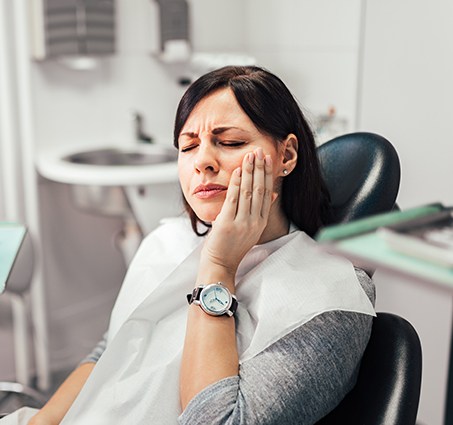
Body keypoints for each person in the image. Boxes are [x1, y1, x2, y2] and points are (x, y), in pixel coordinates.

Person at [6, 65, 375, 425]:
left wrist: (219, 266)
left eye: (230, 142)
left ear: (287, 156)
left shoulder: (331, 299)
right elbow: (111, 352)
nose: (203, 162)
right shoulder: (168, 242)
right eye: (188, 146)